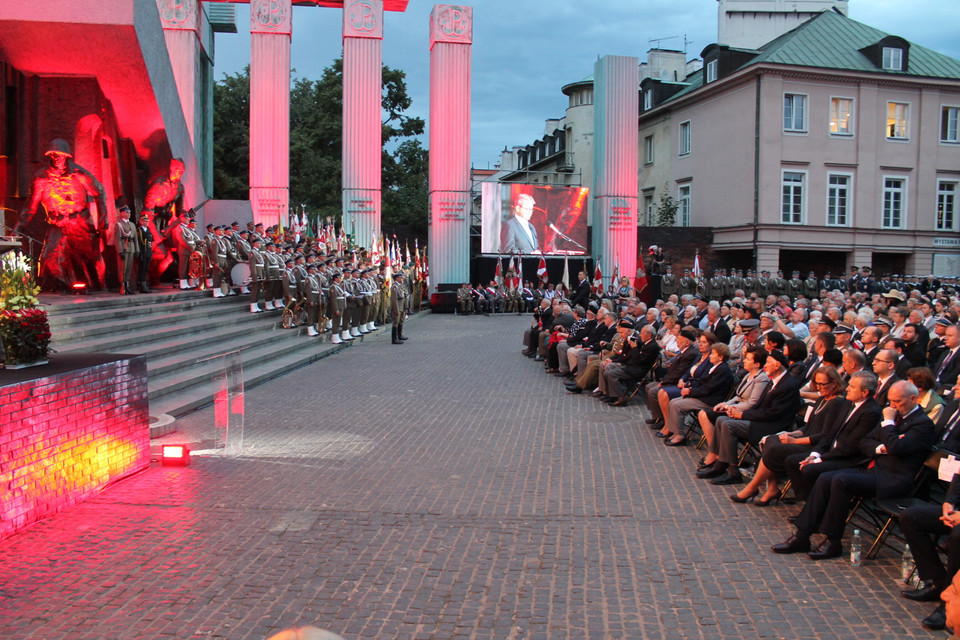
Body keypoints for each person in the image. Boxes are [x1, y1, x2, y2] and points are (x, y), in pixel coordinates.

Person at [772, 380, 936, 560]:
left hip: (892, 478)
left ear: (913, 399)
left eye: (898, 402)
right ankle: (802, 536)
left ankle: (833, 541)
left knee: (840, 480)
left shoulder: (922, 424)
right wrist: (882, 447)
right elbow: (866, 442)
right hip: (873, 468)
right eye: (890, 401)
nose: (893, 406)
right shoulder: (894, 416)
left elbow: (896, 448)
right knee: (826, 478)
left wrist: (888, 424)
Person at [730, 365, 848, 505]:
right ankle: (772, 488)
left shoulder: (837, 403)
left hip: (815, 447)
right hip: (806, 438)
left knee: (775, 450)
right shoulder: (822, 399)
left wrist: (794, 441)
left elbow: (825, 435)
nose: (819, 387)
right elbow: (809, 426)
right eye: (817, 384)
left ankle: (752, 487)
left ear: (834, 383)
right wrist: (793, 433)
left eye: (823, 384)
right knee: (771, 440)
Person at [700, 350, 802, 485]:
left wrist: (742, 415)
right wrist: (736, 412)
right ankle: (720, 464)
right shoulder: (776, 380)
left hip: (772, 425)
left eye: (768, 363)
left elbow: (772, 413)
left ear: (777, 365)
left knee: (728, 424)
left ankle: (733, 471)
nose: (765, 366)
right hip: (761, 419)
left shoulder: (787, 384)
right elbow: (760, 405)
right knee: (721, 419)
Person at [16, 138, 106, 291]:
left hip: (80, 222)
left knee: (90, 257)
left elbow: (99, 191)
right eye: (53, 155)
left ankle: (98, 286)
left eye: (60, 154)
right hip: (58, 223)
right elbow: (29, 208)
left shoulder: (80, 174)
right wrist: (18, 229)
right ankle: (65, 287)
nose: (56, 158)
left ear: (66, 156)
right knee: (49, 259)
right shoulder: (41, 178)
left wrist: (103, 218)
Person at [115, 204, 137, 295]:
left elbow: (135, 238)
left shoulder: (131, 224)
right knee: (123, 269)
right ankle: (123, 286)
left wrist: (137, 250)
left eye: (129, 212)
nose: (129, 214)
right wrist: (120, 251)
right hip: (124, 248)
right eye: (126, 212)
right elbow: (118, 239)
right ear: (121, 213)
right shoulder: (119, 225)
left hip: (131, 248)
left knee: (129, 269)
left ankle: (127, 285)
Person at [135, 214, 154, 294]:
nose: (147, 222)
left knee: (146, 269)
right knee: (142, 269)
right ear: (141, 222)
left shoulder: (148, 230)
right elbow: (139, 242)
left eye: (147, 221)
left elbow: (150, 241)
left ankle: (145, 283)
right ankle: (142, 285)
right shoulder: (139, 230)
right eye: (145, 221)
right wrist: (139, 252)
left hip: (148, 252)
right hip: (143, 251)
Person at [391, 271, 409, 344]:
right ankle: (394, 339)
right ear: (396, 278)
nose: (402, 279)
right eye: (401, 277)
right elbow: (394, 300)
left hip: (402, 306)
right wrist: (396, 310)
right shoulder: (395, 287)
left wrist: (406, 307)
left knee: (401, 321)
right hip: (398, 307)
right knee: (396, 322)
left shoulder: (401, 285)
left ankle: (399, 335)